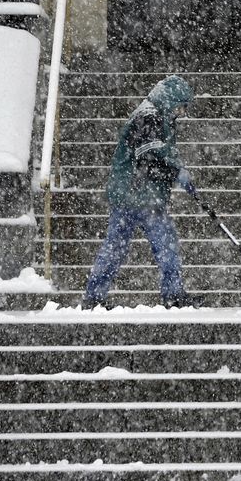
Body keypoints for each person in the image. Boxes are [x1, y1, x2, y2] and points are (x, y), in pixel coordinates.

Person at [81, 75, 199, 309]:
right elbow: (147, 161)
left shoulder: (156, 116)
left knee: (116, 247)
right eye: (182, 106)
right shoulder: (148, 118)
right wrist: (177, 174)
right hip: (139, 195)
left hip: (135, 194)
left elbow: (160, 155)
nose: (183, 112)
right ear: (171, 101)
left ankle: (94, 297)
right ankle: (172, 294)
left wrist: (178, 170)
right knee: (165, 245)